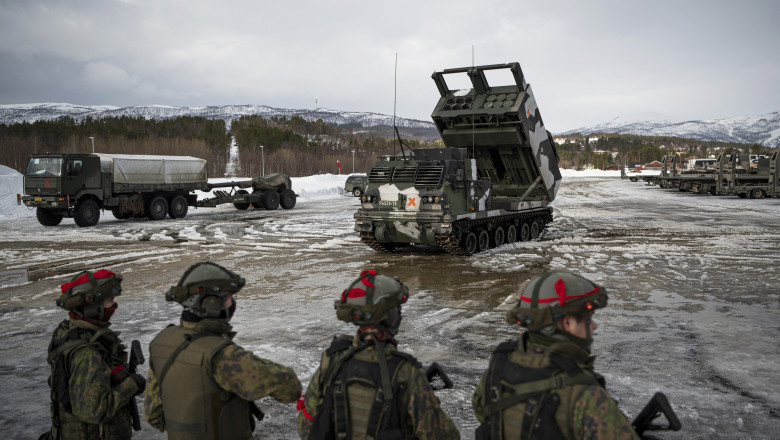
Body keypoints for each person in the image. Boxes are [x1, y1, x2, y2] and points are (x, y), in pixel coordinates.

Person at [472, 270, 639, 440]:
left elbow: (481, 409)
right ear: (568, 323)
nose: (594, 326)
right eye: (588, 317)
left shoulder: (500, 365)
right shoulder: (584, 392)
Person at [144, 262, 302, 440]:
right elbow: (290, 388)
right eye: (228, 297)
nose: (232, 302)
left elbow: (153, 415)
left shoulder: (161, 342)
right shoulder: (222, 355)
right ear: (211, 303)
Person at [297, 269, 460, 440]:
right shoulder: (407, 372)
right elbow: (443, 436)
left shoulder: (333, 360)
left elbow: (306, 427)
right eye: (397, 309)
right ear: (391, 317)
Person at [43, 269, 145, 440]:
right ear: (92, 305)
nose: (114, 306)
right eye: (110, 300)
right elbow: (94, 411)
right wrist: (133, 384)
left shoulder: (71, 331)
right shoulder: (87, 353)